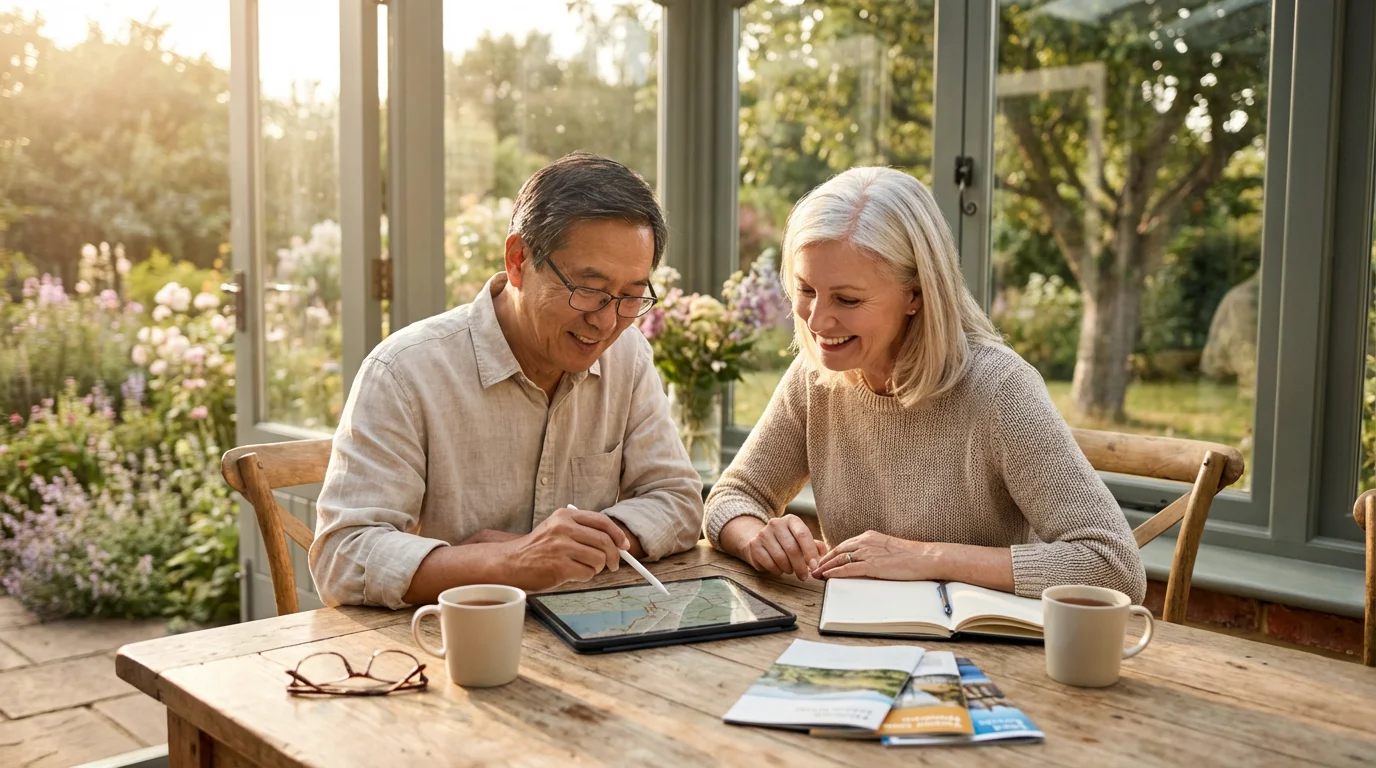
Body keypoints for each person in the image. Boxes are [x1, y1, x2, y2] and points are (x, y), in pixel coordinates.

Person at [704, 167, 1146, 603]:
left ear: (915, 294)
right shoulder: (815, 377)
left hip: (984, 653)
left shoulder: (1000, 389)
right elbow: (731, 497)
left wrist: (926, 558)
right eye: (805, 290)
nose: (818, 321)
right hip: (851, 640)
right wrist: (756, 538)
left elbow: (1113, 566)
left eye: (848, 299)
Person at [310, 152, 703, 609]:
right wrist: (512, 561)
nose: (606, 321)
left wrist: (576, 549)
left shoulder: (628, 355)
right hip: (445, 650)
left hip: (588, 632)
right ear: (518, 260)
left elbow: (678, 500)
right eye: (590, 290)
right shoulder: (404, 371)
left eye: (632, 296)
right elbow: (343, 556)